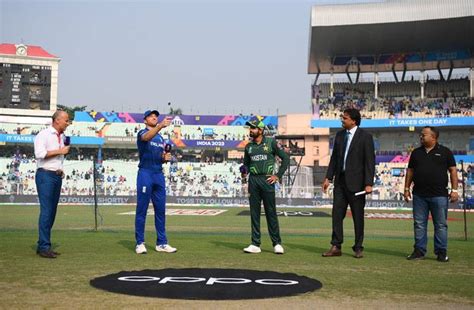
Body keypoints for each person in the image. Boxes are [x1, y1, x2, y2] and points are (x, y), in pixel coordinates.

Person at [322, 108, 375, 258]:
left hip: (357, 185)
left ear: (353, 120)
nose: (342, 120)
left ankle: (358, 247)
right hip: (340, 183)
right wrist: (328, 178)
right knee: (336, 215)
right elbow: (334, 159)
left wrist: (368, 183)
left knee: (358, 216)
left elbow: (369, 162)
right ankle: (336, 245)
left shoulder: (365, 137)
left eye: (344, 118)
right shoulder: (339, 136)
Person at [404, 126, 458, 262]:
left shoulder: (445, 152)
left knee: (440, 225)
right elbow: (410, 171)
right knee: (419, 224)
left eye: (424, 135)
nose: (421, 137)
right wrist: (406, 189)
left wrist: (455, 190)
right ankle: (419, 251)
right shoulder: (416, 153)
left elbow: (452, 171)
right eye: (421, 135)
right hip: (419, 195)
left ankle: (441, 252)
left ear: (434, 137)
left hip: (439, 195)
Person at [241, 117, 289, 254]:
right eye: (250, 128)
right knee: (254, 213)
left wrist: (277, 176)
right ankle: (255, 244)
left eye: (253, 128)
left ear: (260, 130)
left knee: (271, 213)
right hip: (253, 181)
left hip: (267, 180)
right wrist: (244, 171)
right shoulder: (248, 147)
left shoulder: (271, 142)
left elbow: (285, 158)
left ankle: (277, 243)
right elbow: (246, 164)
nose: (250, 130)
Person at [134, 110, 176, 254]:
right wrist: (159, 126)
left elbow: (160, 157)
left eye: (156, 116)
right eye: (151, 116)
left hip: (158, 174)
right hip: (145, 173)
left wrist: (165, 158)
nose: (154, 117)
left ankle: (162, 243)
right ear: (145, 120)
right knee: (142, 209)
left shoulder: (160, 138)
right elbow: (146, 138)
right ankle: (140, 243)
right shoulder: (142, 133)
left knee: (161, 210)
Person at [34, 110, 71, 258]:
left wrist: (60, 169)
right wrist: (60, 150)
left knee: (52, 212)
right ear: (57, 120)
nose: (68, 123)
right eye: (66, 120)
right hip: (45, 175)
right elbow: (40, 154)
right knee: (47, 211)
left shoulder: (62, 137)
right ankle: (44, 246)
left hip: (56, 176)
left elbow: (58, 158)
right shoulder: (43, 135)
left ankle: (43, 244)